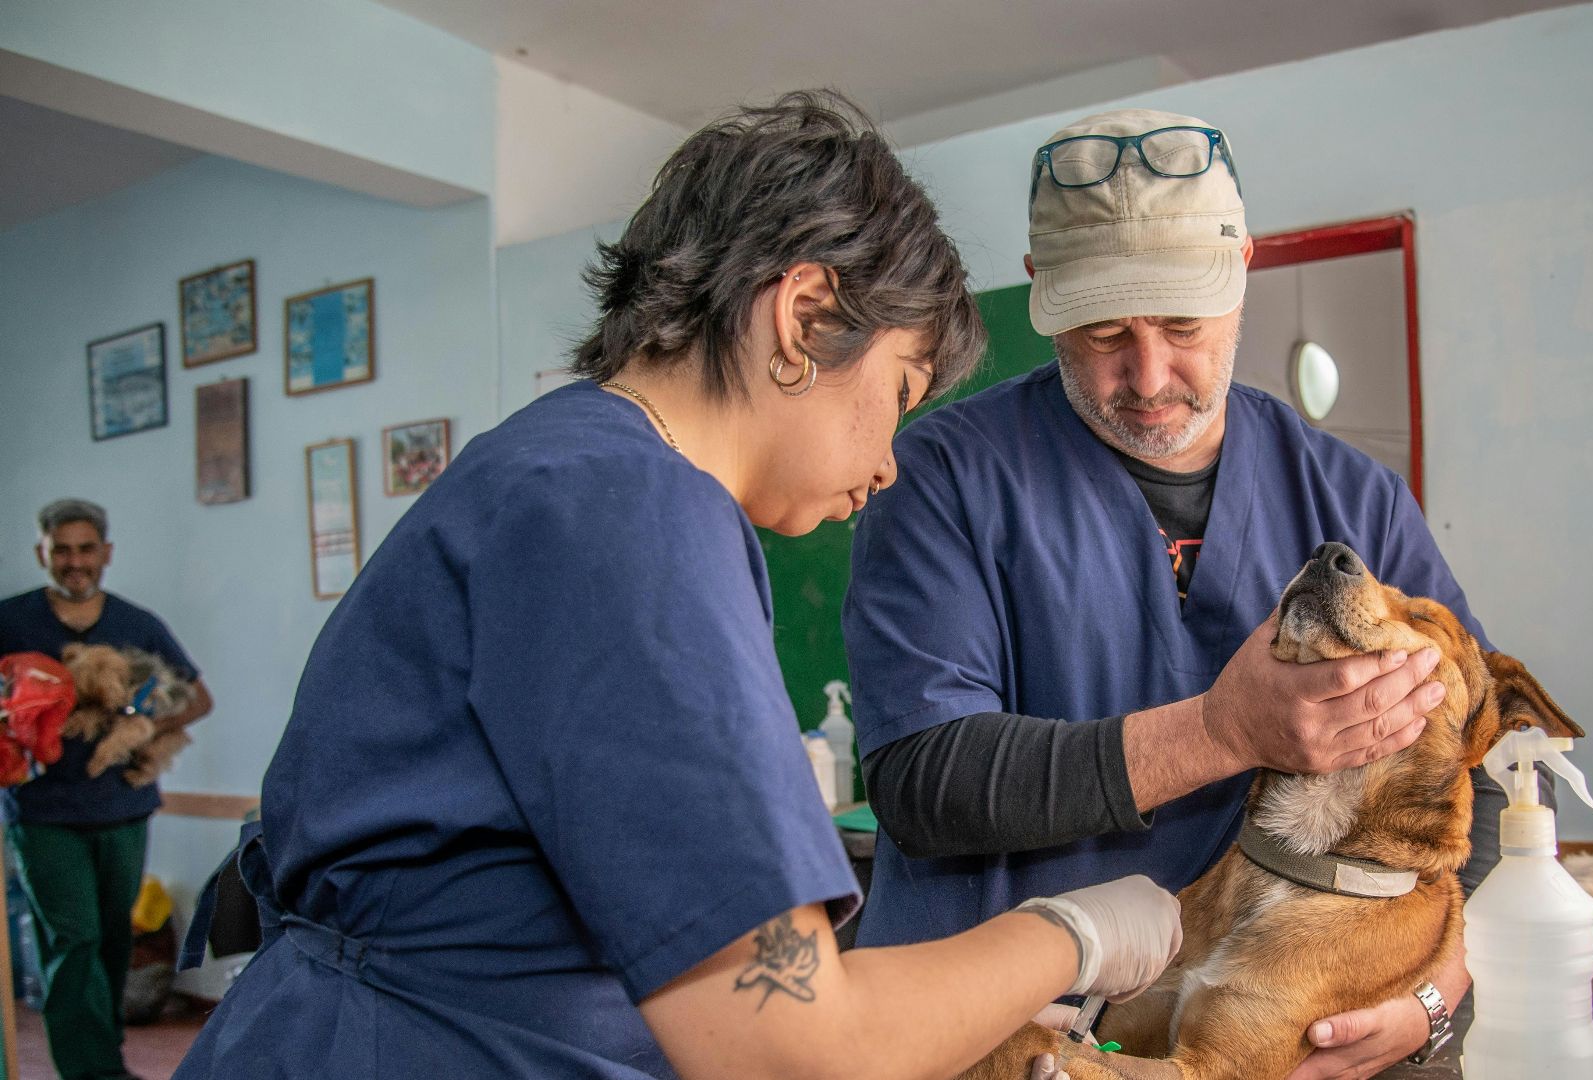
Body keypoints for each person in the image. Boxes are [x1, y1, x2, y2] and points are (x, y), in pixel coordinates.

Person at [175, 92, 1183, 1080]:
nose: (887, 465)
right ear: (805, 315)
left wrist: (966, 997)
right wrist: (1073, 934)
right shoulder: (637, 510)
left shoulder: (550, 466)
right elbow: (792, 1051)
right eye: (900, 393)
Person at [844, 108, 1554, 1077]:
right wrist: (1221, 733)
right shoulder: (941, 477)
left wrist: (1435, 994)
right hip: (979, 1042)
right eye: (1103, 331)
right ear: (1040, 286)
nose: (1148, 376)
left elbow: (1492, 773)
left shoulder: (1353, 501)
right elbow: (922, 781)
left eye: (1183, 326)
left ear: (1242, 273)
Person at [0, 498, 213, 1080]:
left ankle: (106, 1058)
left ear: (106, 553)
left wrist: (141, 730)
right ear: (42, 553)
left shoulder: (136, 624)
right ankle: (90, 1072)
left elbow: (199, 699)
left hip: (123, 808)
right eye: (62, 550)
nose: (75, 562)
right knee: (73, 938)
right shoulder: (11, 621)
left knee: (115, 940)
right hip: (43, 813)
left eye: (86, 549)